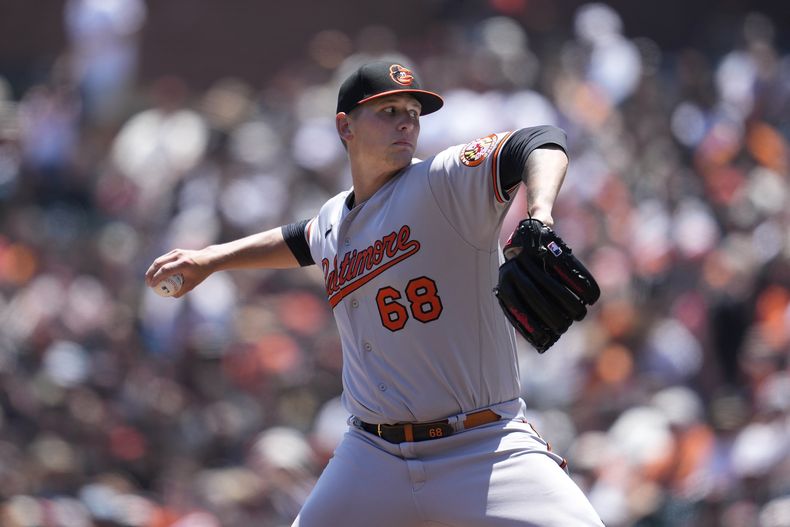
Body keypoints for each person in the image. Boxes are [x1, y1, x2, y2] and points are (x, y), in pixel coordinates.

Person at [146, 61, 604, 526]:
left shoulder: (442, 181)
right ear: (345, 126)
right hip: (373, 454)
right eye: (388, 111)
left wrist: (540, 215)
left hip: (482, 446)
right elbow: (300, 239)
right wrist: (211, 258)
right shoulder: (333, 218)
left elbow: (540, 139)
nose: (406, 121)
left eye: (412, 111)